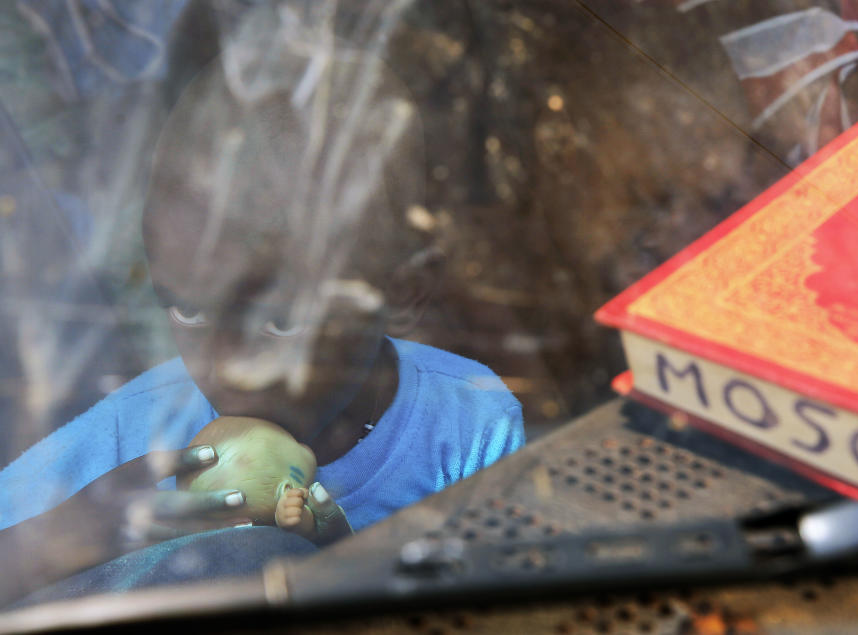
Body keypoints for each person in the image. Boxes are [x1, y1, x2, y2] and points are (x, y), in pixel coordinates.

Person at [0, 37, 524, 606]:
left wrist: (339, 560)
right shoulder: (137, 436)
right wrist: (62, 544)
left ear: (403, 292)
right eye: (189, 309)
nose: (226, 369)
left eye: (278, 320)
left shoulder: (466, 430)